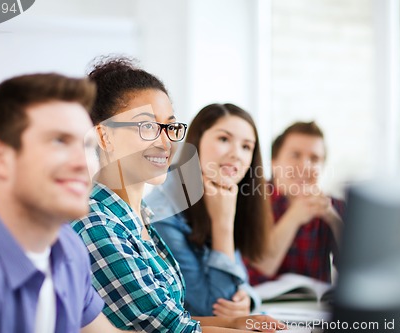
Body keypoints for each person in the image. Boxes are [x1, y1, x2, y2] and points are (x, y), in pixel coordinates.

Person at [70, 57, 284, 333]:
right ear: (104, 137)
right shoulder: (97, 224)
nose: (165, 142)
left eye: (170, 127)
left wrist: (234, 321)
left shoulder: (137, 216)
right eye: (147, 127)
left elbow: (171, 319)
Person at [0, 73, 133, 333]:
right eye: (59, 141)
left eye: (88, 146)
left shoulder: (68, 246)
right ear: (0, 159)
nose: (83, 163)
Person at [145, 103, 270, 317]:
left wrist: (249, 300)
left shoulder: (222, 195)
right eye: (224, 139)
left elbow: (240, 284)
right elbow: (211, 308)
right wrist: (223, 226)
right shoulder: (163, 212)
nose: (236, 155)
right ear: (197, 142)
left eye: (246, 147)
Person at [246, 121, 345, 285]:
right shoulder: (252, 201)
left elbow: (358, 271)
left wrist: (333, 220)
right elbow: (258, 270)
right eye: (295, 155)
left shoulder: (333, 207)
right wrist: (294, 217)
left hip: (313, 308)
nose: (305, 166)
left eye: (314, 159)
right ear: (274, 162)